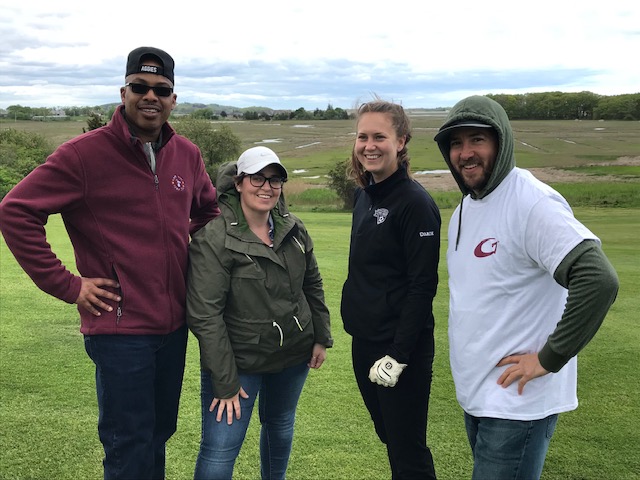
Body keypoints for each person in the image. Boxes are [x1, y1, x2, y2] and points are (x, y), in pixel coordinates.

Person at [0, 46, 219, 479]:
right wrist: (69, 285)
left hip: (174, 325)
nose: (150, 96)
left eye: (161, 89)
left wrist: (187, 254)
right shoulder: (83, 155)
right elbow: (15, 211)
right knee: (128, 444)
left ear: (174, 99)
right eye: (140, 87)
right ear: (123, 93)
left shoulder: (187, 154)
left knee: (158, 434)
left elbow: (208, 212)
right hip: (120, 330)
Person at [434, 95, 620, 480]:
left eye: (477, 139)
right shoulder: (465, 209)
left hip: (517, 404)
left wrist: (548, 358)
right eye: (456, 143)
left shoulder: (532, 202)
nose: (465, 153)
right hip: (479, 396)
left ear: (501, 142)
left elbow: (597, 278)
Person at [186, 146, 333, 480]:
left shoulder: (293, 228)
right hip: (239, 363)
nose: (267, 187)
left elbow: (312, 284)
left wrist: (320, 336)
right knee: (220, 448)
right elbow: (205, 315)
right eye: (257, 178)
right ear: (239, 182)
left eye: (275, 179)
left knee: (279, 426)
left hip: (293, 354)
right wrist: (225, 381)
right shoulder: (214, 236)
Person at [340, 99, 441, 479]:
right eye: (362, 137)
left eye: (379, 137)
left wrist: (398, 355)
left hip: (400, 349)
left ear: (401, 141)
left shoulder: (416, 203)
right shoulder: (363, 195)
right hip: (364, 341)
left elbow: (422, 286)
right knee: (389, 436)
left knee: (408, 450)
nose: (369, 145)